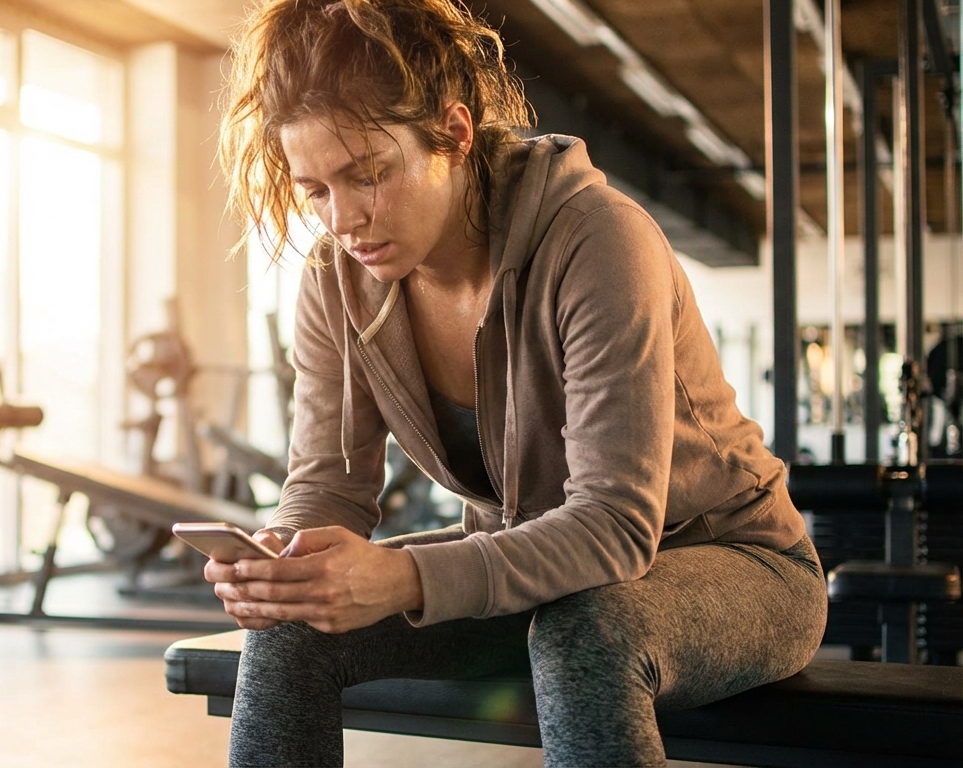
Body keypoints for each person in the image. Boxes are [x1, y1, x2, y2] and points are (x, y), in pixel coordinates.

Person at [206, 1, 828, 766]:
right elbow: (327, 487)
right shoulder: (335, 282)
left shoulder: (598, 239)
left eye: (367, 175)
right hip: (542, 572)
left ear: (455, 134)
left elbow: (614, 526)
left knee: (589, 630)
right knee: (293, 629)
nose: (345, 218)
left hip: (737, 565)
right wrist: (282, 561)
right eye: (316, 191)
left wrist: (404, 575)